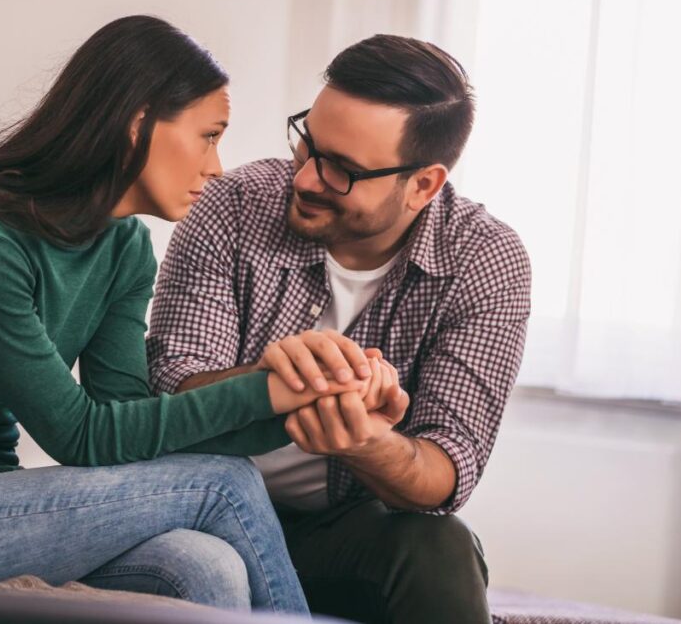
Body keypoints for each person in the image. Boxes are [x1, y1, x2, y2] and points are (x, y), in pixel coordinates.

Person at [0, 15, 396, 614]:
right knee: (226, 483)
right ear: (137, 123)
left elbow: (128, 420)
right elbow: (81, 435)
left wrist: (309, 399)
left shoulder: (123, 248)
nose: (217, 167)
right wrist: (271, 390)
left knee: (205, 562)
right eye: (209, 135)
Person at [147, 34, 532, 623]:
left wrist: (363, 438)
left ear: (423, 185)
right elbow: (171, 393)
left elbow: (443, 474)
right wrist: (287, 377)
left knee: (440, 546)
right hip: (195, 507)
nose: (304, 180)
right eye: (309, 145)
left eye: (344, 171)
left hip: (338, 529)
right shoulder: (233, 204)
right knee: (197, 561)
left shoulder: (484, 260)